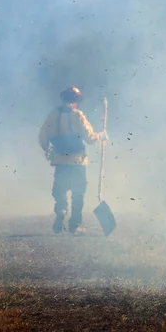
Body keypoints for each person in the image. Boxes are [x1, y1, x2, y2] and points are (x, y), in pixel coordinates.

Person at [38, 86, 108, 234]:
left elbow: (43, 135)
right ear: (76, 100)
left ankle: (62, 209)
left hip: (60, 160)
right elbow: (89, 137)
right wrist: (100, 136)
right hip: (77, 161)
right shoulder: (78, 115)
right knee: (78, 192)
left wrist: (47, 149)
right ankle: (74, 224)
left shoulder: (53, 115)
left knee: (60, 190)